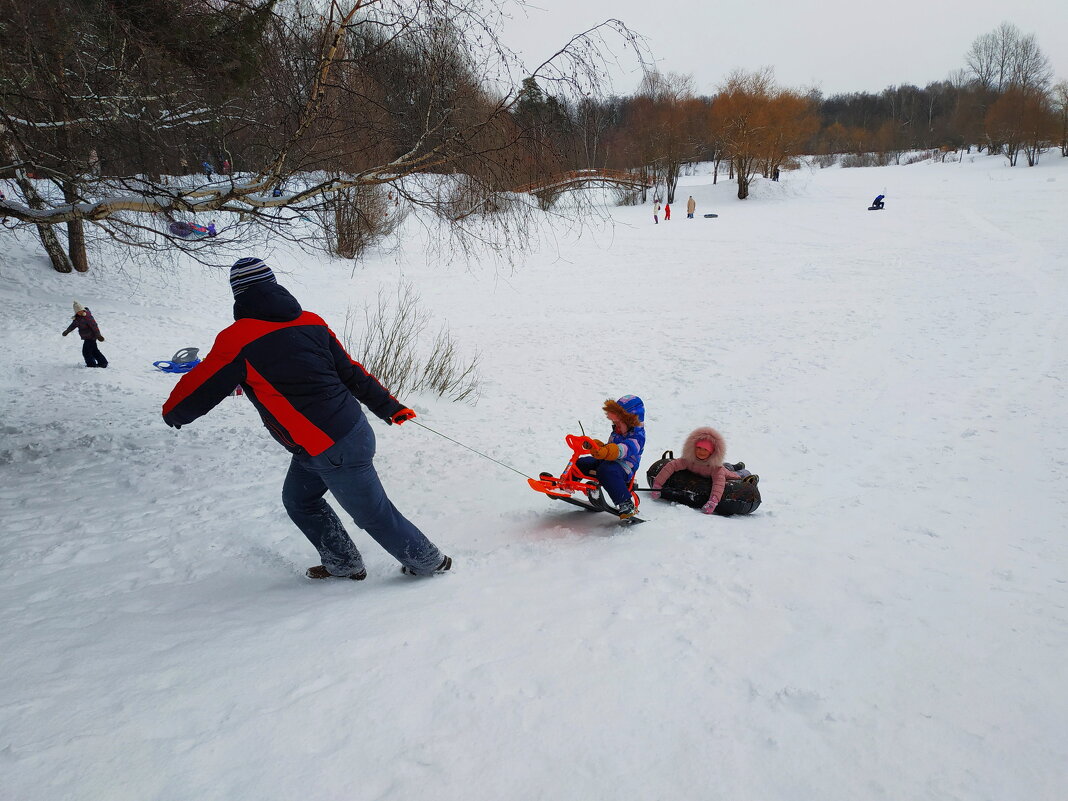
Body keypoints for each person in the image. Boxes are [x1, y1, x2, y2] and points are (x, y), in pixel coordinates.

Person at [161, 258, 451, 581]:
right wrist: (387, 406)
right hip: (332, 439)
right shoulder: (311, 322)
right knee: (299, 500)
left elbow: (202, 384)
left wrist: (175, 411)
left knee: (373, 513)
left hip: (333, 447)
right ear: (274, 286)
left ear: (239, 295)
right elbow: (352, 372)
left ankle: (429, 561)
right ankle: (344, 563)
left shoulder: (239, 338)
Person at [651, 426, 757, 515]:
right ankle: (737, 465)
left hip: (724, 472)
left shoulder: (716, 468)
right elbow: (670, 467)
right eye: (699, 448)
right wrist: (657, 485)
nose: (701, 452)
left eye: (705, 450)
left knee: (734, 473)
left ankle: (744, 470)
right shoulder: (688, 460)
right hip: (714, 468)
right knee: (727, 465)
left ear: (711, 452)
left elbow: (718, 485)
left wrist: (713, 502)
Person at [575, 395, 646, 520]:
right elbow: (610, 448)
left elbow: (623, 449)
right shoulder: (617, 431)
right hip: (609, 460)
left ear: (629, 420)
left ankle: (625, 503)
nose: (615, 424)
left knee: (607, 470)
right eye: (615, 422)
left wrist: (607, 451)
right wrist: (597, 447)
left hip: (625, 467)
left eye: (618, 422)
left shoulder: (638, 436)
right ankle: (568, 486)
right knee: (581, 463)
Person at [62, 301, 108, 368]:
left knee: (86, 352)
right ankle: (103, 363)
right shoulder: (78, 318)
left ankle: (91, 365)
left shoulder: (87, 317)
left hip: (91, 337)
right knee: (94, 350)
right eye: (78, 311)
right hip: (87, 337)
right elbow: (73, 325)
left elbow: (94, 326)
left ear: (83, 309)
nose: (79, 312)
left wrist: (98, 335)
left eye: (80, 311)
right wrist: (67, 331)